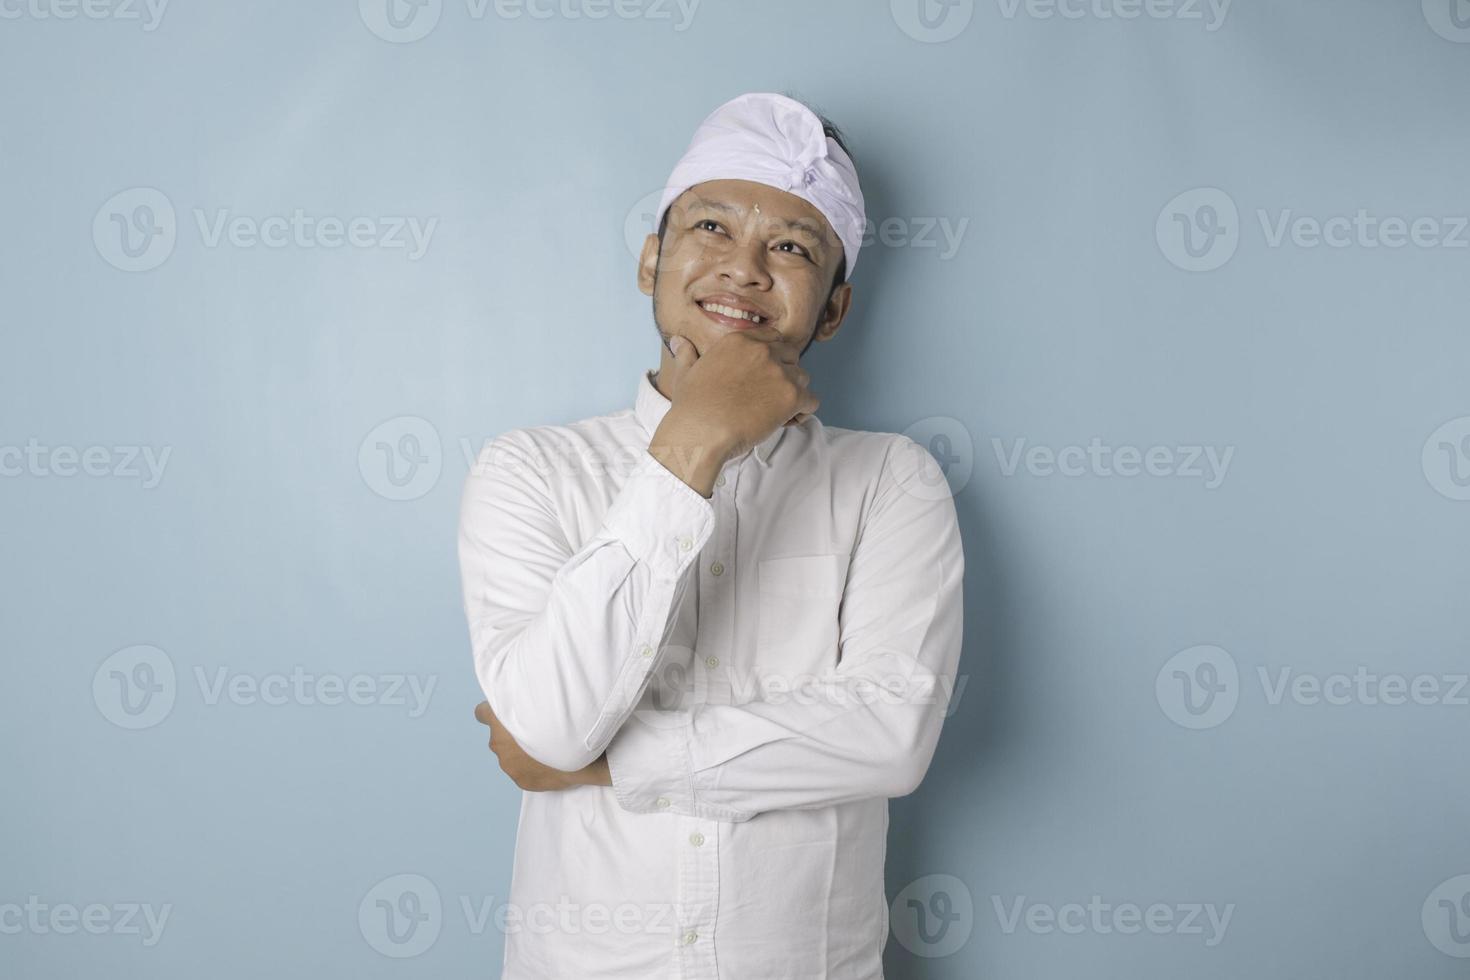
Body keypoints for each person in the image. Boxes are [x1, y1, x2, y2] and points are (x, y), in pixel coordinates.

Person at [458, 90, 965, 979]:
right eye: (711, 229)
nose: (744, 269)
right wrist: (691, 448)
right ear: (653, 259)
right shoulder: (528, 470)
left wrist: (607, 768)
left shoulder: (891, 481)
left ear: (835, 310)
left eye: (792, 247)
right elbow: (551, 723)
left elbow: (890, 733)